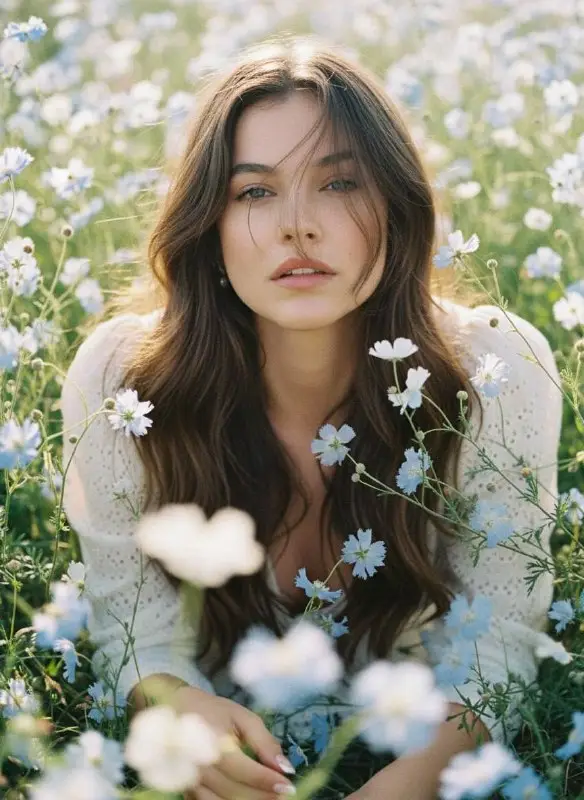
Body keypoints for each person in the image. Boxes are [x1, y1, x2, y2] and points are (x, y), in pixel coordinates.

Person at [61, 34, 562, 800]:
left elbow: (500, 650)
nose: (298, 225)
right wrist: (181, 710)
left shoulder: (494, 374)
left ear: (395, 207)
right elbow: (134, 634)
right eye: (254, 191)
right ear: (210, 225)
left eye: (339, 184)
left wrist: (397, 789)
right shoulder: (123, 381)